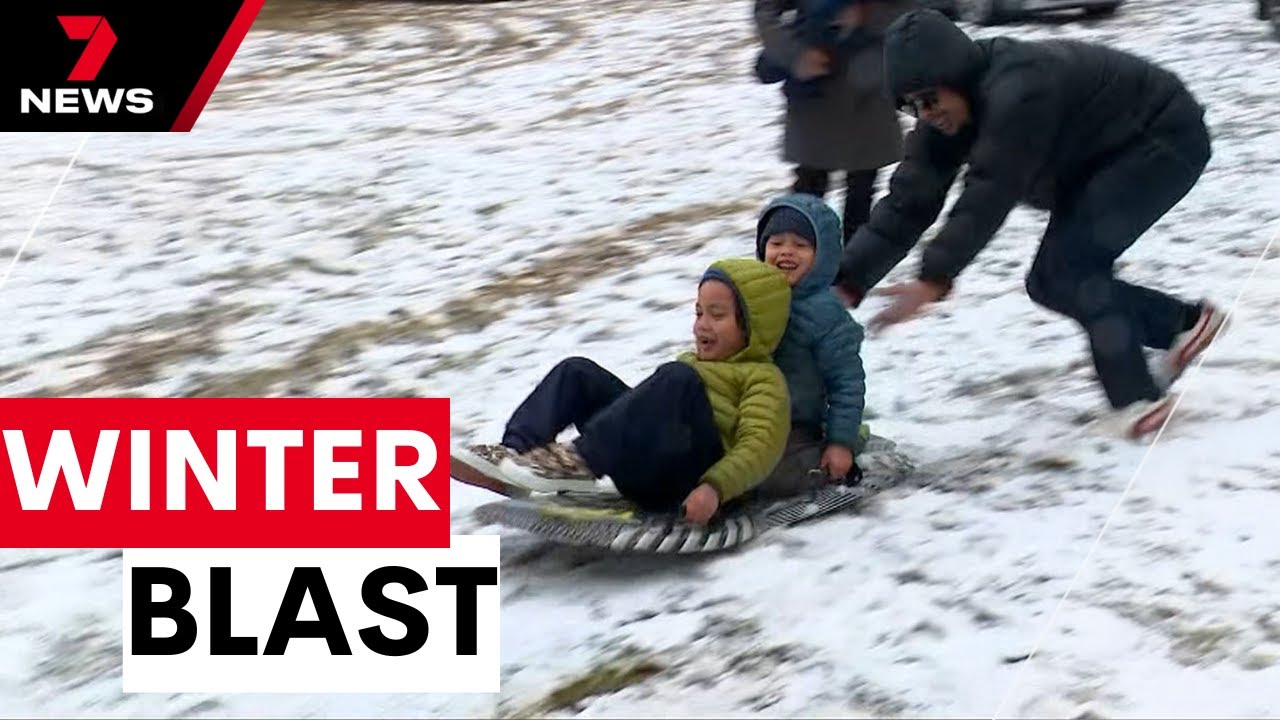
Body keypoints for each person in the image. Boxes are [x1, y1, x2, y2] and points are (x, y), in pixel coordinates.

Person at [833, 9, 1227, 439]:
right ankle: (1183, 324)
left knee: (1070, 271)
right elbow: (907, 203)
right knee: (1049, 281)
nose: (925, 114)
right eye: (910, 106)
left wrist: (935, 277)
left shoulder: (1020, 89)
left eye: (928, 99)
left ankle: (1137, 401)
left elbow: (991, 190)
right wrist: (846, 282)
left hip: (1160, 139)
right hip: (1100, 160)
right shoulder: (945, 120)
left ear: (955, 74)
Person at [452, 258, 792, 525]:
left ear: (753, 327)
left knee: (678, 377)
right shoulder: (692, 363)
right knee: (577, 372)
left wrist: (714, 488)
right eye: (699, 312)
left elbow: (759, 449)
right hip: (650, 467)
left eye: (717, 315)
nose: (702, 324)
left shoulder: (763, 379)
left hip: (692, 485)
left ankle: (578, 461)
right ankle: (515, 458)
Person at [753, 0, 913, 243]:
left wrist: (868, 15)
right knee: (809, 190)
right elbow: (766, 10)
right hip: (815, 87)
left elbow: (912, 9)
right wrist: (794, 55)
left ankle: (852, 262)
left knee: (862, 189)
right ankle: (800, 257)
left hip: (868, 88)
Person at [754, 193, 870, 496]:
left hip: (798, 426)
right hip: (751, 415)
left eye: (801, 245)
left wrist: (840, 441)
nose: (786, 252)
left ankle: (829, 462)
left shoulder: (827, 315)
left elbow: (846, 384)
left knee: (768, 474)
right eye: (776, 243)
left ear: (823, 255)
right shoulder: (753, 299)